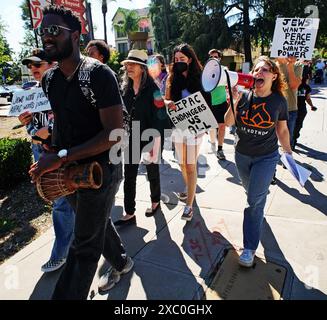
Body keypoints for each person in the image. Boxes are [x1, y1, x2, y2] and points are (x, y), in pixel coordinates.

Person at [29, 5, 132, 299]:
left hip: (102, 171)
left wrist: (60, 158)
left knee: (85, 244)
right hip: (70, 170)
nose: (46, 37)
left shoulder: (99, 75)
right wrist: (49, 148)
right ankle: (123, 262)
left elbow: (115, 133)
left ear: (74, 35)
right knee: (95, 222)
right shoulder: (49, 80)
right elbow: (65, 122)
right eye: (43, 31)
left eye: (53, 31)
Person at [225, 56, 292, 267]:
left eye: (265, 70)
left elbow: (281, 129)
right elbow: (228, 123)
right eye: (256, 70)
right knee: (253, 195)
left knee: (252, 201)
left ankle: (249, 248)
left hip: (267, 156)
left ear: (273, 75)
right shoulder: (244, 96)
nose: (259, 73)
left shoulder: (279, 101)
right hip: (242, 155)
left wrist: (288, 153)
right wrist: (234, 102)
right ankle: (259, 204)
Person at [19, 48, 75, 273]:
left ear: (51, 64)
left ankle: (61, 252)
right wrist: (30, 125)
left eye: (38, 64)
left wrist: (49, 132)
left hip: (61, 150)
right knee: (61, 198)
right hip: (39, 150)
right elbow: (30, 126)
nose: (33, 69)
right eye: (30, 66)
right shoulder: (29, 92)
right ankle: (86, 239)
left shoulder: (65, 88)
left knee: (64, 200)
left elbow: (73, 119)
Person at [113, 49, 165, 227]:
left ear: (142, 68)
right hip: (131, 137)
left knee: (152, 172)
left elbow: (161, 116)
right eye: (127, 64)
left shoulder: (154, 89)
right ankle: (129, 212)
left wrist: (155, 143)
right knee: (130, 175)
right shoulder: (124, 89)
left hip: (150, 135)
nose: (128, 67)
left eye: (132, 64)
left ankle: (155, 201)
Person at [165, 43, 209, 221]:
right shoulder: (172, 78)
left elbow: (209, 101)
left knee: (191, 165)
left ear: (190, 59)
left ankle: (189, 205)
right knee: (182, 163)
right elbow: (166, 99)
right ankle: (190, 188)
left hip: (195, 126)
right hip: (178, 127)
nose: (178, 62)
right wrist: (169, 104)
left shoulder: (201, 78)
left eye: (182, 59)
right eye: (176, 59)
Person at [276, 57, 303, 146]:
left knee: (287, 140)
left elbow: (294, 85)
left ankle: (287, 156)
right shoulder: (272, 66)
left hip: (290, 109)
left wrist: (290, 66)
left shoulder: (297, 65)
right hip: (273, 108)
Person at [207, 49, 227, 160]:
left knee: (222, 126)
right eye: (211, 57)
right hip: (210, 103)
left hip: (222, 102)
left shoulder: (224, 70)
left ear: (219, 58)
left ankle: (220, 149)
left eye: (216, 56)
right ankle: (213, 142)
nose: (214, 58)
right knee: (212, 127)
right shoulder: (205, 71)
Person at [292, 74, 317, 149]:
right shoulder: (306, 87)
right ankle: (294, 140)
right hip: (301, 109)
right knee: (298, 125)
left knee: (289, 125)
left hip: (290, 108)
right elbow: (308, 98)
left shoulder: (292, 84)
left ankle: (290, 140)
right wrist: (312, 106)